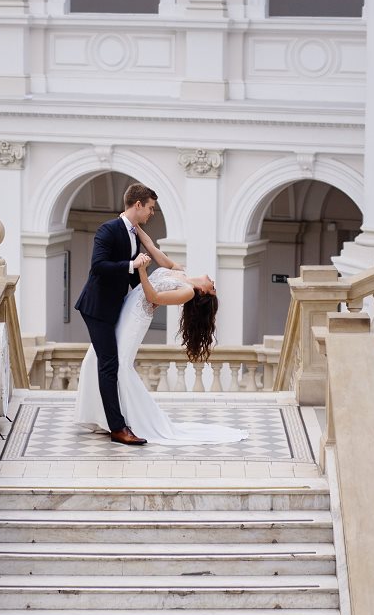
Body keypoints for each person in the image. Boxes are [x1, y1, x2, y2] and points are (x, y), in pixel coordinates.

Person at [73, 261, 248, 447]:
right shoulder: (180, 271)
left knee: (120, 366)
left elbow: (152, 296)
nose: (214, 284)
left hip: (136, 317)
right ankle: (103, 417)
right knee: (94, 357)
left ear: (203, 292)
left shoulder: (188, 291)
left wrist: (141, 270)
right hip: (127, 308)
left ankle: (125, 422)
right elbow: (152, 247)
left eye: (213, 289)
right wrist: (137, 231)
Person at [73, 182, 182, 446]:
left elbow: (130, 277)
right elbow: (98, 266)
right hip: (97, 308)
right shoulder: (109, 229)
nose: (151, 213)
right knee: (109, 365)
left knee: (106, 364)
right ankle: (117, 428)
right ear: (138, 205)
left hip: (114, 307)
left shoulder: (133, 233)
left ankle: (103, 418)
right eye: (150, 208)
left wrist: (147, 297)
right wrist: (132, 263)